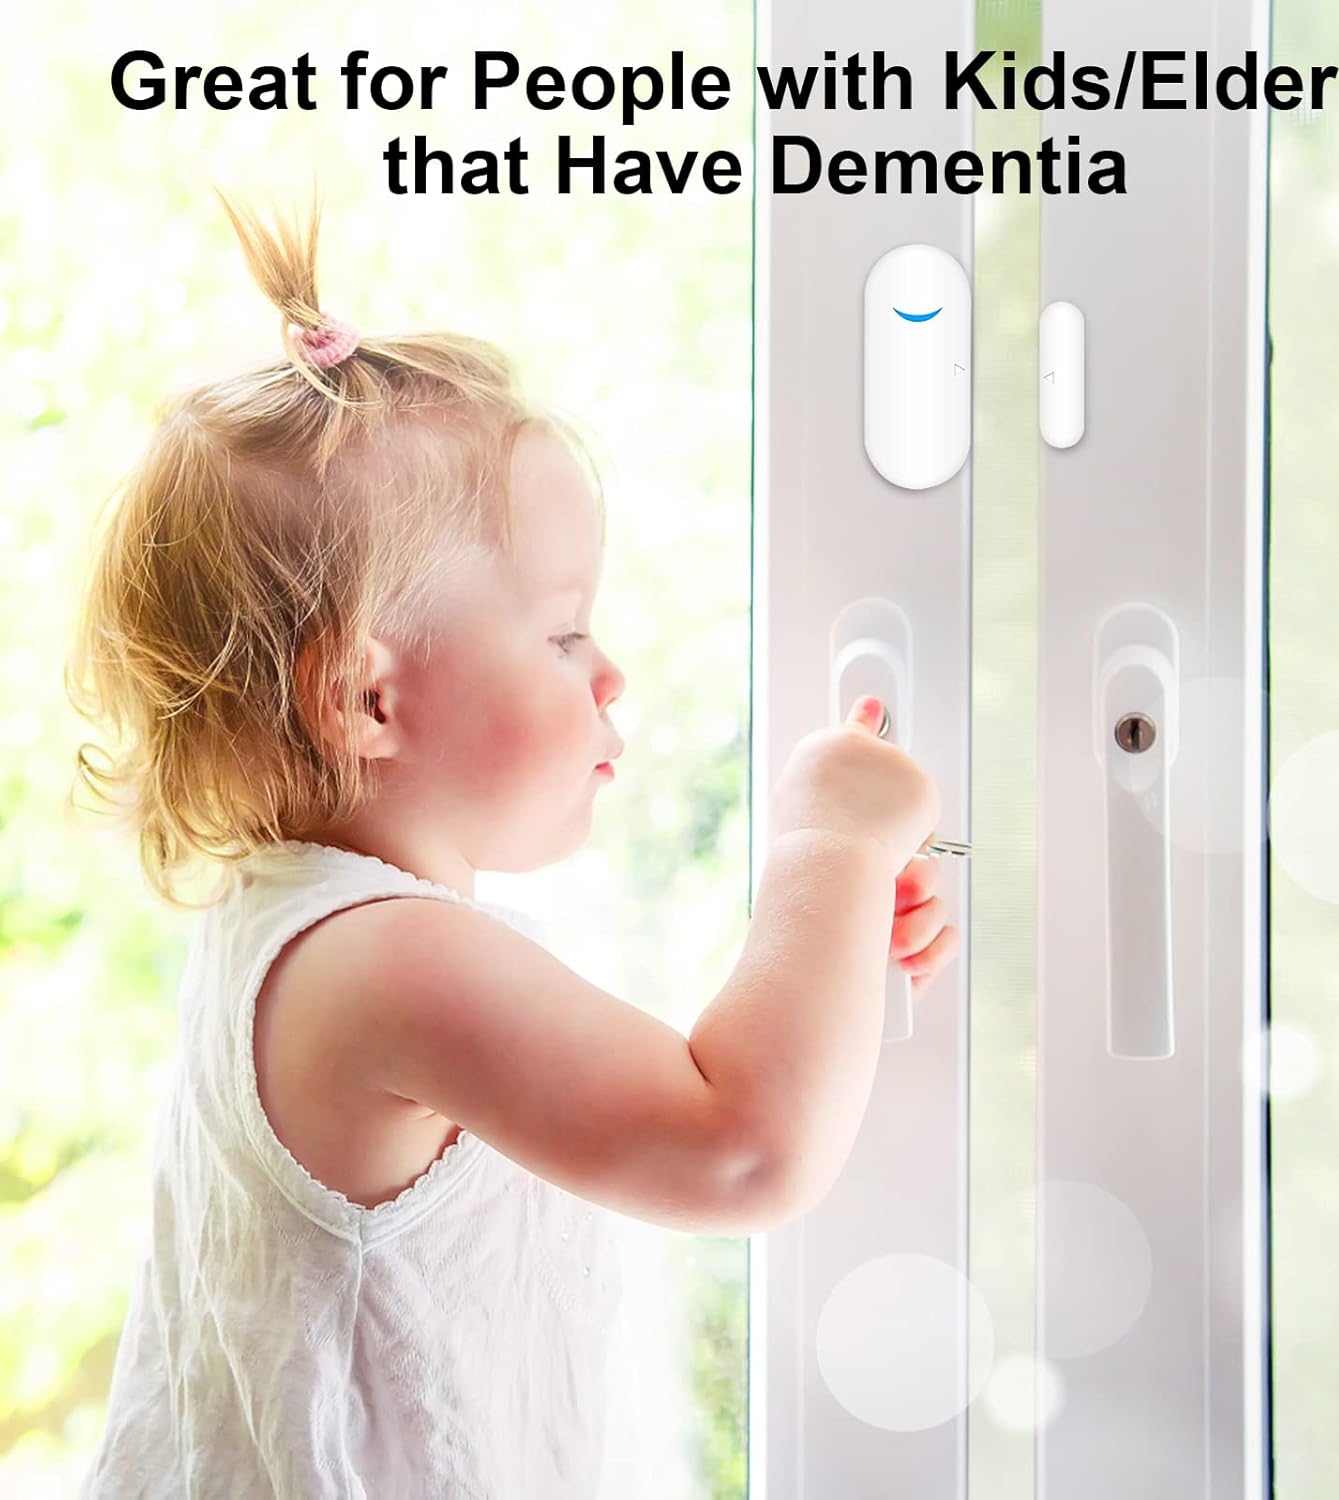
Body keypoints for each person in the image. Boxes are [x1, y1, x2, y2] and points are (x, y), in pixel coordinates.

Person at [65, 186, 958, 1497]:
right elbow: (740, 1145)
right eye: (558, 635)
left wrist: (821, 949)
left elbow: (666, 1080)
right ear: (369, 698)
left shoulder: (313, 926)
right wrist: (827, 843)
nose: (611, 676)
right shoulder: (386, 967)